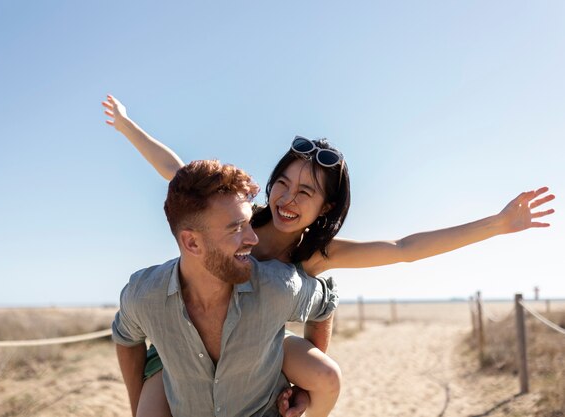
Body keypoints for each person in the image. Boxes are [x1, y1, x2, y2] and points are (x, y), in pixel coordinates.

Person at [102, 95, 555, 417]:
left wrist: (496, 225)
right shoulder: (241, 221)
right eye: (283, 181)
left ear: (327, 208)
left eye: (306, 192)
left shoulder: (316, 255)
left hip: (257, 346)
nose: (287, 197)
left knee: (323, 376)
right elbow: (175, 170)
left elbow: (404, 249)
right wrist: (125, 125)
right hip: (185, 346)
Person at [112, 160, 338, 417]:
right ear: (192, 243)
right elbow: (125, 336)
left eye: (249, 223)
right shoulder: (144, 295)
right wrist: (137, 405)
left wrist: (304, 385)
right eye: (236, 228)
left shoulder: (277, 286)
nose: (253, 239)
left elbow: (325, 303)